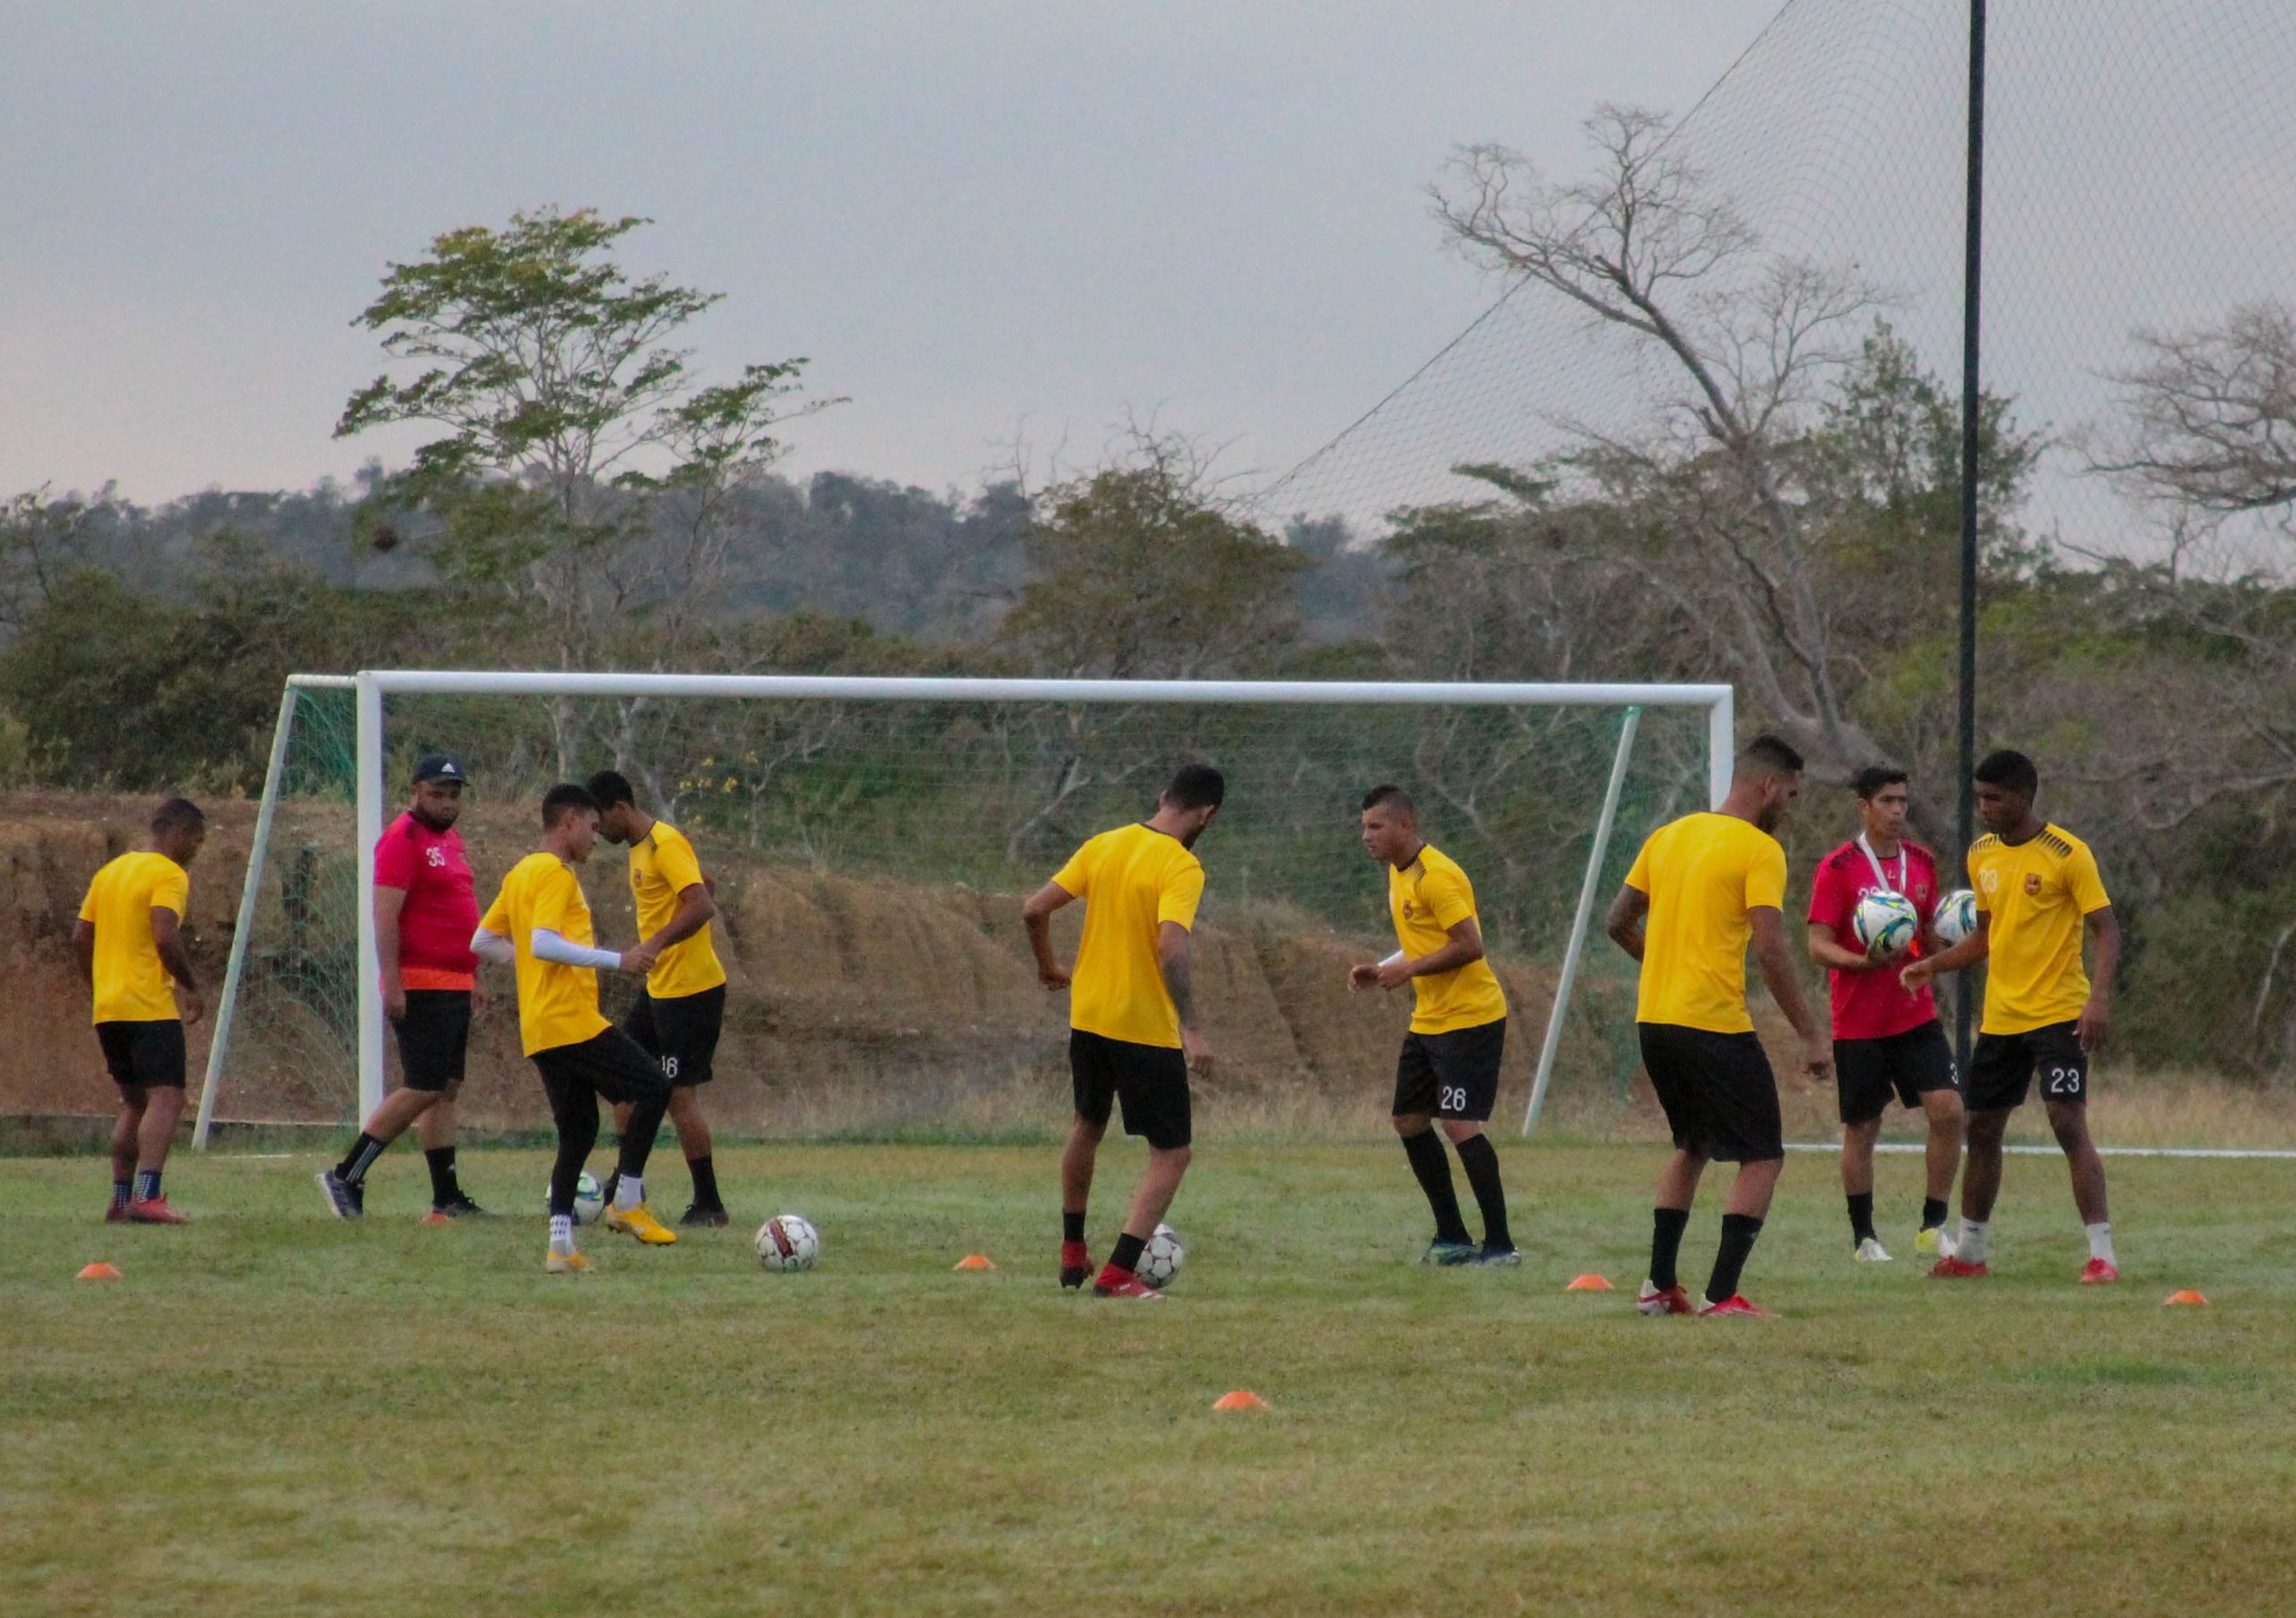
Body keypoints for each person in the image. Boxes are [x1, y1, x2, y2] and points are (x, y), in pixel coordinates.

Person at [1605, 735, 1830, 1318]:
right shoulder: (1757, 850)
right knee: (1762, 1155)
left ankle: (1658, 1288)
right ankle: (1724, 1296)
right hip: (1713, 1023)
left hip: (1656, 1020)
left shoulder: (1669, 836)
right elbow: (1773, 951)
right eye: (1792, 795)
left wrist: (1663, 963)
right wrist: (1811, 1033)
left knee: (1694, 1145)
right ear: (1769, 787)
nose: (1791, 807)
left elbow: (1616, 921)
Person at [1900, 749, 2121, 1283]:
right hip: (2002, 1019)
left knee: (2067, 1121)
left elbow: (2107, 930)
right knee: (1982, 1127)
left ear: (2024, 797)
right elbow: (1985, 936)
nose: (1983, 806)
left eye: (1994, 798)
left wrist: (2097, 1000)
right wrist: (1930, 965)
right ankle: (1971, 1254)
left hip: (2058, 1013)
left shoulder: (2067, 854)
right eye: (1978, 797)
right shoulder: (1982, 854)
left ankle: (2102, 1256)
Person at [1022, 764, 1223, 1300]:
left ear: (1163, 797)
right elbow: (1171, 948)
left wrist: (1048, 967)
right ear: (1207, 814)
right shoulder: (1182, 866)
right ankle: (1117, 1275)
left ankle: (1072, 1251)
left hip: (1089, 1017)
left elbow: (1034, 908)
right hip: (1142, 1027)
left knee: (1087, 1124)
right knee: (1172, 1153)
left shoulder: (1103, 845)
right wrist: (1193, 1028)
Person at [470, 783, 679, 1273]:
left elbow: (483, 940)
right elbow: (542, 943)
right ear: (567, 822)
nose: (594, 837)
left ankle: (560, 1245)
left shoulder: (520, 872)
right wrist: (617, 960)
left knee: (579, 1130)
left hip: (539, 1028)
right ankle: (626, 1200)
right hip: (570, 1021)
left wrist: (527, 967)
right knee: (653, 1086)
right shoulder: (553, 873)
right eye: (590, 826)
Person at [1347, 785, 1517, 1266]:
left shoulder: (1437, 875)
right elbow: (1425, 940)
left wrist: (1408, 972)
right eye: (1363, 826)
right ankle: (1452, 1237)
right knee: (1409, 1120)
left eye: (1375, 826)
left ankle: (1501, 1246)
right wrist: (1383, 968)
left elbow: (1469, 945)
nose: (1366, 836)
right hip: (1430, 1019)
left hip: (1470, 1018)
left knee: (1459, 1124)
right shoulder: (1400, 874)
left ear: (1405, 825)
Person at [317, 754, 491, 1222]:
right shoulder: (402, 839)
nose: (448, 802)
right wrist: (392, 980)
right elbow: (385, 914)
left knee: (446, 1087)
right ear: (415, 791)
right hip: (421, 981)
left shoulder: (450, 840)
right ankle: (347, 1173)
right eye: (438, 792)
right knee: (423, 1085)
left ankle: (446, 1197)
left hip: (454, 980)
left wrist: (470, 976)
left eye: (454, 794)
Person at [1805, 765, 1965, 1262]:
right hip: (1858, 1023)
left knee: (1950, 1110)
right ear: (1864, 807)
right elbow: (1815, 945)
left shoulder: (1921, 861)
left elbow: (1928, 935)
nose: (1898, 810)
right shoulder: (1837, 868)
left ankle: (1932, 1227)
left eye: (1902, 801)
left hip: (1915, 1016)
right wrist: (1863, 962)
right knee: (1863, 1127)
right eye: (1887, 801)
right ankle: (1864, 1238)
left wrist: (1940, 953)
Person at [587, 770, 731, 1227]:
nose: (596, 830)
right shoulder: (642, 848)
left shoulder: (664, 844)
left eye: (599, 821)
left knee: (676, 1095)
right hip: (659, 990)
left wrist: (656, 943)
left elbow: (703, 904)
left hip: (691, 991)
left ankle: (708, 1203)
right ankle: (629, 1184)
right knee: (623, 1081)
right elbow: (704, 884)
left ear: (621, 809)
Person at [74, 797, 207, 1224]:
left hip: (109, 1006)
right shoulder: (169, 873)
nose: (196, 852)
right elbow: (165, 935)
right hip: (148, 1003)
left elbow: (80, 937)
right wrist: (190, 985)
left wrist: (99, 984)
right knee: (166, 1097)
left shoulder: (109, 872)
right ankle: (148, 1198)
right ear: (177, 833)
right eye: (196, 842)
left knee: (133, 1103)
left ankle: (119, 1200)